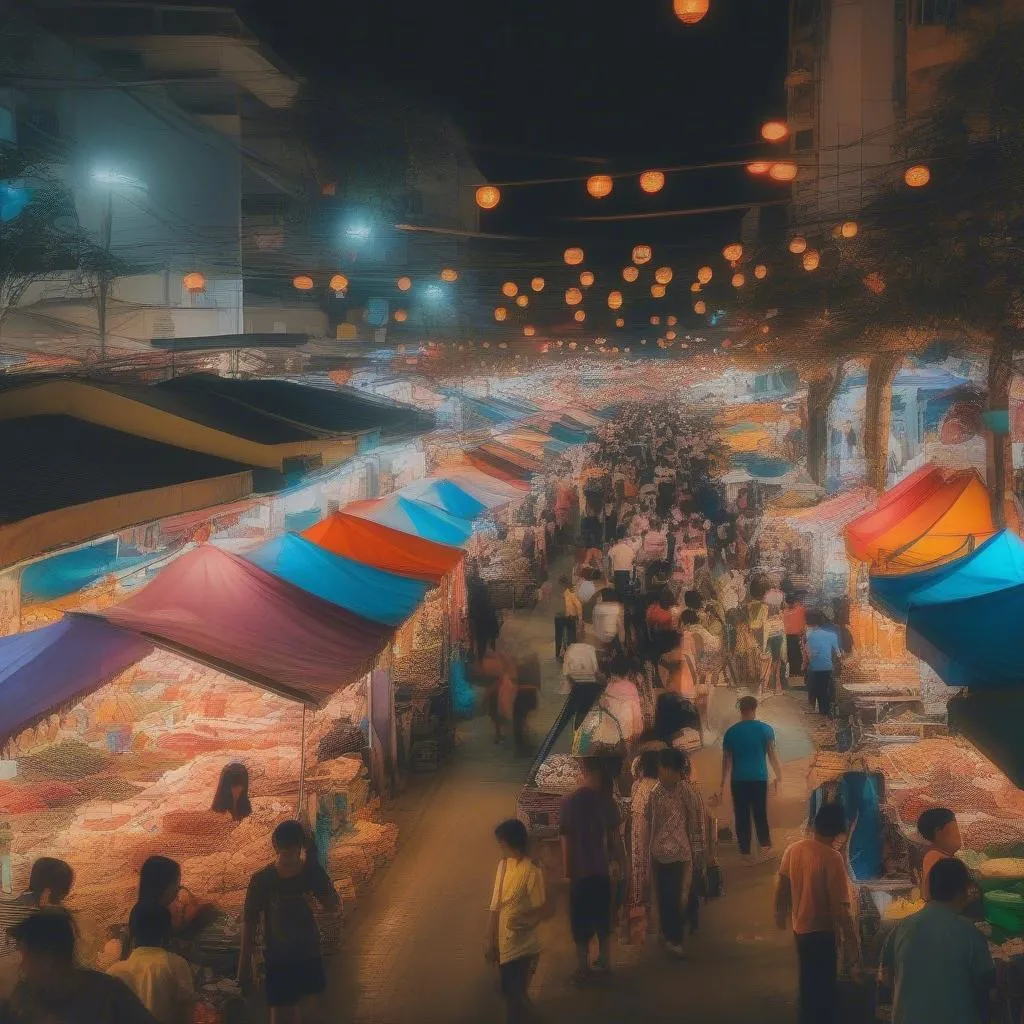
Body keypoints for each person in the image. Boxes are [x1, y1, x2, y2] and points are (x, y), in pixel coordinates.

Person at [238, 820, 340, 1024]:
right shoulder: (312, 872)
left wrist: (243, 967)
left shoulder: (261, 879)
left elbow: (249, 923)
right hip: (308, 952)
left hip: (278, 957)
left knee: (281, 1012)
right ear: (302, 844)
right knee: (311, 1010)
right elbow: (332, 906)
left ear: (274, 844)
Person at [879, 857, 994, 1024]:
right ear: (963, 891)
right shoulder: (969, 932)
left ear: (930, 890)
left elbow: (886, 977)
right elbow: (985, 983)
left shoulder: (901, 927)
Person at [774, 803, 860, 1024]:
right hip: (823, 932)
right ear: (839, 832)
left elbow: (782, 885)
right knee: (825, 989)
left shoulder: (794, 850)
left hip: (800, 929)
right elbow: (841, 909)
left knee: (808, 982)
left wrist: (779, 912)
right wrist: (852, 947)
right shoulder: (833, 858)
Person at [0, 911, 157, 1023]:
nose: (21, 965)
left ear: (48, 958)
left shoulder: (109, 993)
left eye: (25, 955)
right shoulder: (23, 996)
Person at [559, 759, 624, 982]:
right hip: (602, 872)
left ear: (585, 772)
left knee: (580, 921)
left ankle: (583, 966)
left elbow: (565, 840)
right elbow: (615, 840)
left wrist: (567, 873)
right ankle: (605, 962)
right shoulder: (607, 803)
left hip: (579, 874)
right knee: (603, 919)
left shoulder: (569, 803)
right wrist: (620, 865)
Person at [643, 749, 704, 956]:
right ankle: (669, 934)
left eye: (664, 767)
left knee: (677, 896)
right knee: (663, 896)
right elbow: (648, 820)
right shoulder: (654, 793)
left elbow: (695, 824)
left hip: (680, 853)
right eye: (660, 767)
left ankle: (675, 938)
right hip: (659, 853)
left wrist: (697, 853)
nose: (660, 771)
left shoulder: (687, 793)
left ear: (675, 770)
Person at [487, 819, 546, 1024]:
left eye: (503, 842)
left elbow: (541, 909)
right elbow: (494, 907)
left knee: (514, 996)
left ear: (513, 842)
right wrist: (490, 941)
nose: (500, 847)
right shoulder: (503, 867)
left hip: (524, 946)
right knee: (511, 993)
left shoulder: (532, 871)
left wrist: (527, 923)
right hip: (504, 944)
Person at [718, 696, 783, 861]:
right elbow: (772, 755)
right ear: (755, 709)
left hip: (738, 779)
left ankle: (745, 850)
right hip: (759, 778)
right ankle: (765, 845)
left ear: (741, 710)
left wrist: (722, 781)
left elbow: (726, 760)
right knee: (760, 813)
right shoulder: (765, 730)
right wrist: (779, 774)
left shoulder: (731, 733)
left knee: (742, 814)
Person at [108, 905, 194, 1024]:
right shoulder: (177, 965)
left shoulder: (114, 972)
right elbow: (186, 1015)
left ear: (131, 932)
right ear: (168, 933)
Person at [916, 807, 962, 902]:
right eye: (955, 829)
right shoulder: (934, 857)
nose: (959, 835)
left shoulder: (944, 855)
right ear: (938, 832)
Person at [805, 611, 843, 716]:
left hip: (814, 666)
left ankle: (816, 708)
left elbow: (809, 653)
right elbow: (838, 653)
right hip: (827, 666)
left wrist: (808, 661)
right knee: (825, 688)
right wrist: (840, 661)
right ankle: (825, 709)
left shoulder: (811, 636)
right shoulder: (832, 635)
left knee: (815, 688)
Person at [562, 639, 603, 729]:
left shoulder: (569, 650)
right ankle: (578, 729)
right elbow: (595, 670)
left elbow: (566, 673)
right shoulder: (591, 649)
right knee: (584, 711)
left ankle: (575, 729)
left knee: (568, 715)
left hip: (576, 685)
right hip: (590, 685)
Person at [783, 593, 807, 682]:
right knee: (799, 658)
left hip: (788, 638)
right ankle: (798, 680)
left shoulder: (785, 612)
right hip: (798, 637)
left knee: (792, 658)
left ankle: (794, 680)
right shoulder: (801, 609)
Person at [557, 575, 582, 658]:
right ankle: (566, 653)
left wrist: (580, 619)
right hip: (568, 616)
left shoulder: (571, 592)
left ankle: (569, 655)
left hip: (571, 617)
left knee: (570, 638)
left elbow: (578, 606)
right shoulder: (567, 591)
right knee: (567, 637)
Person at [607, 533, 636, 602]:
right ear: (624, 538)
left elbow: (610, 565)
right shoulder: (630, 550)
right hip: (628, 574)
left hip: (618, 574)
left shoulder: (613, 549)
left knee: (618, 596)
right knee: (626, 595)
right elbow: (633, 563)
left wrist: (610, 576)